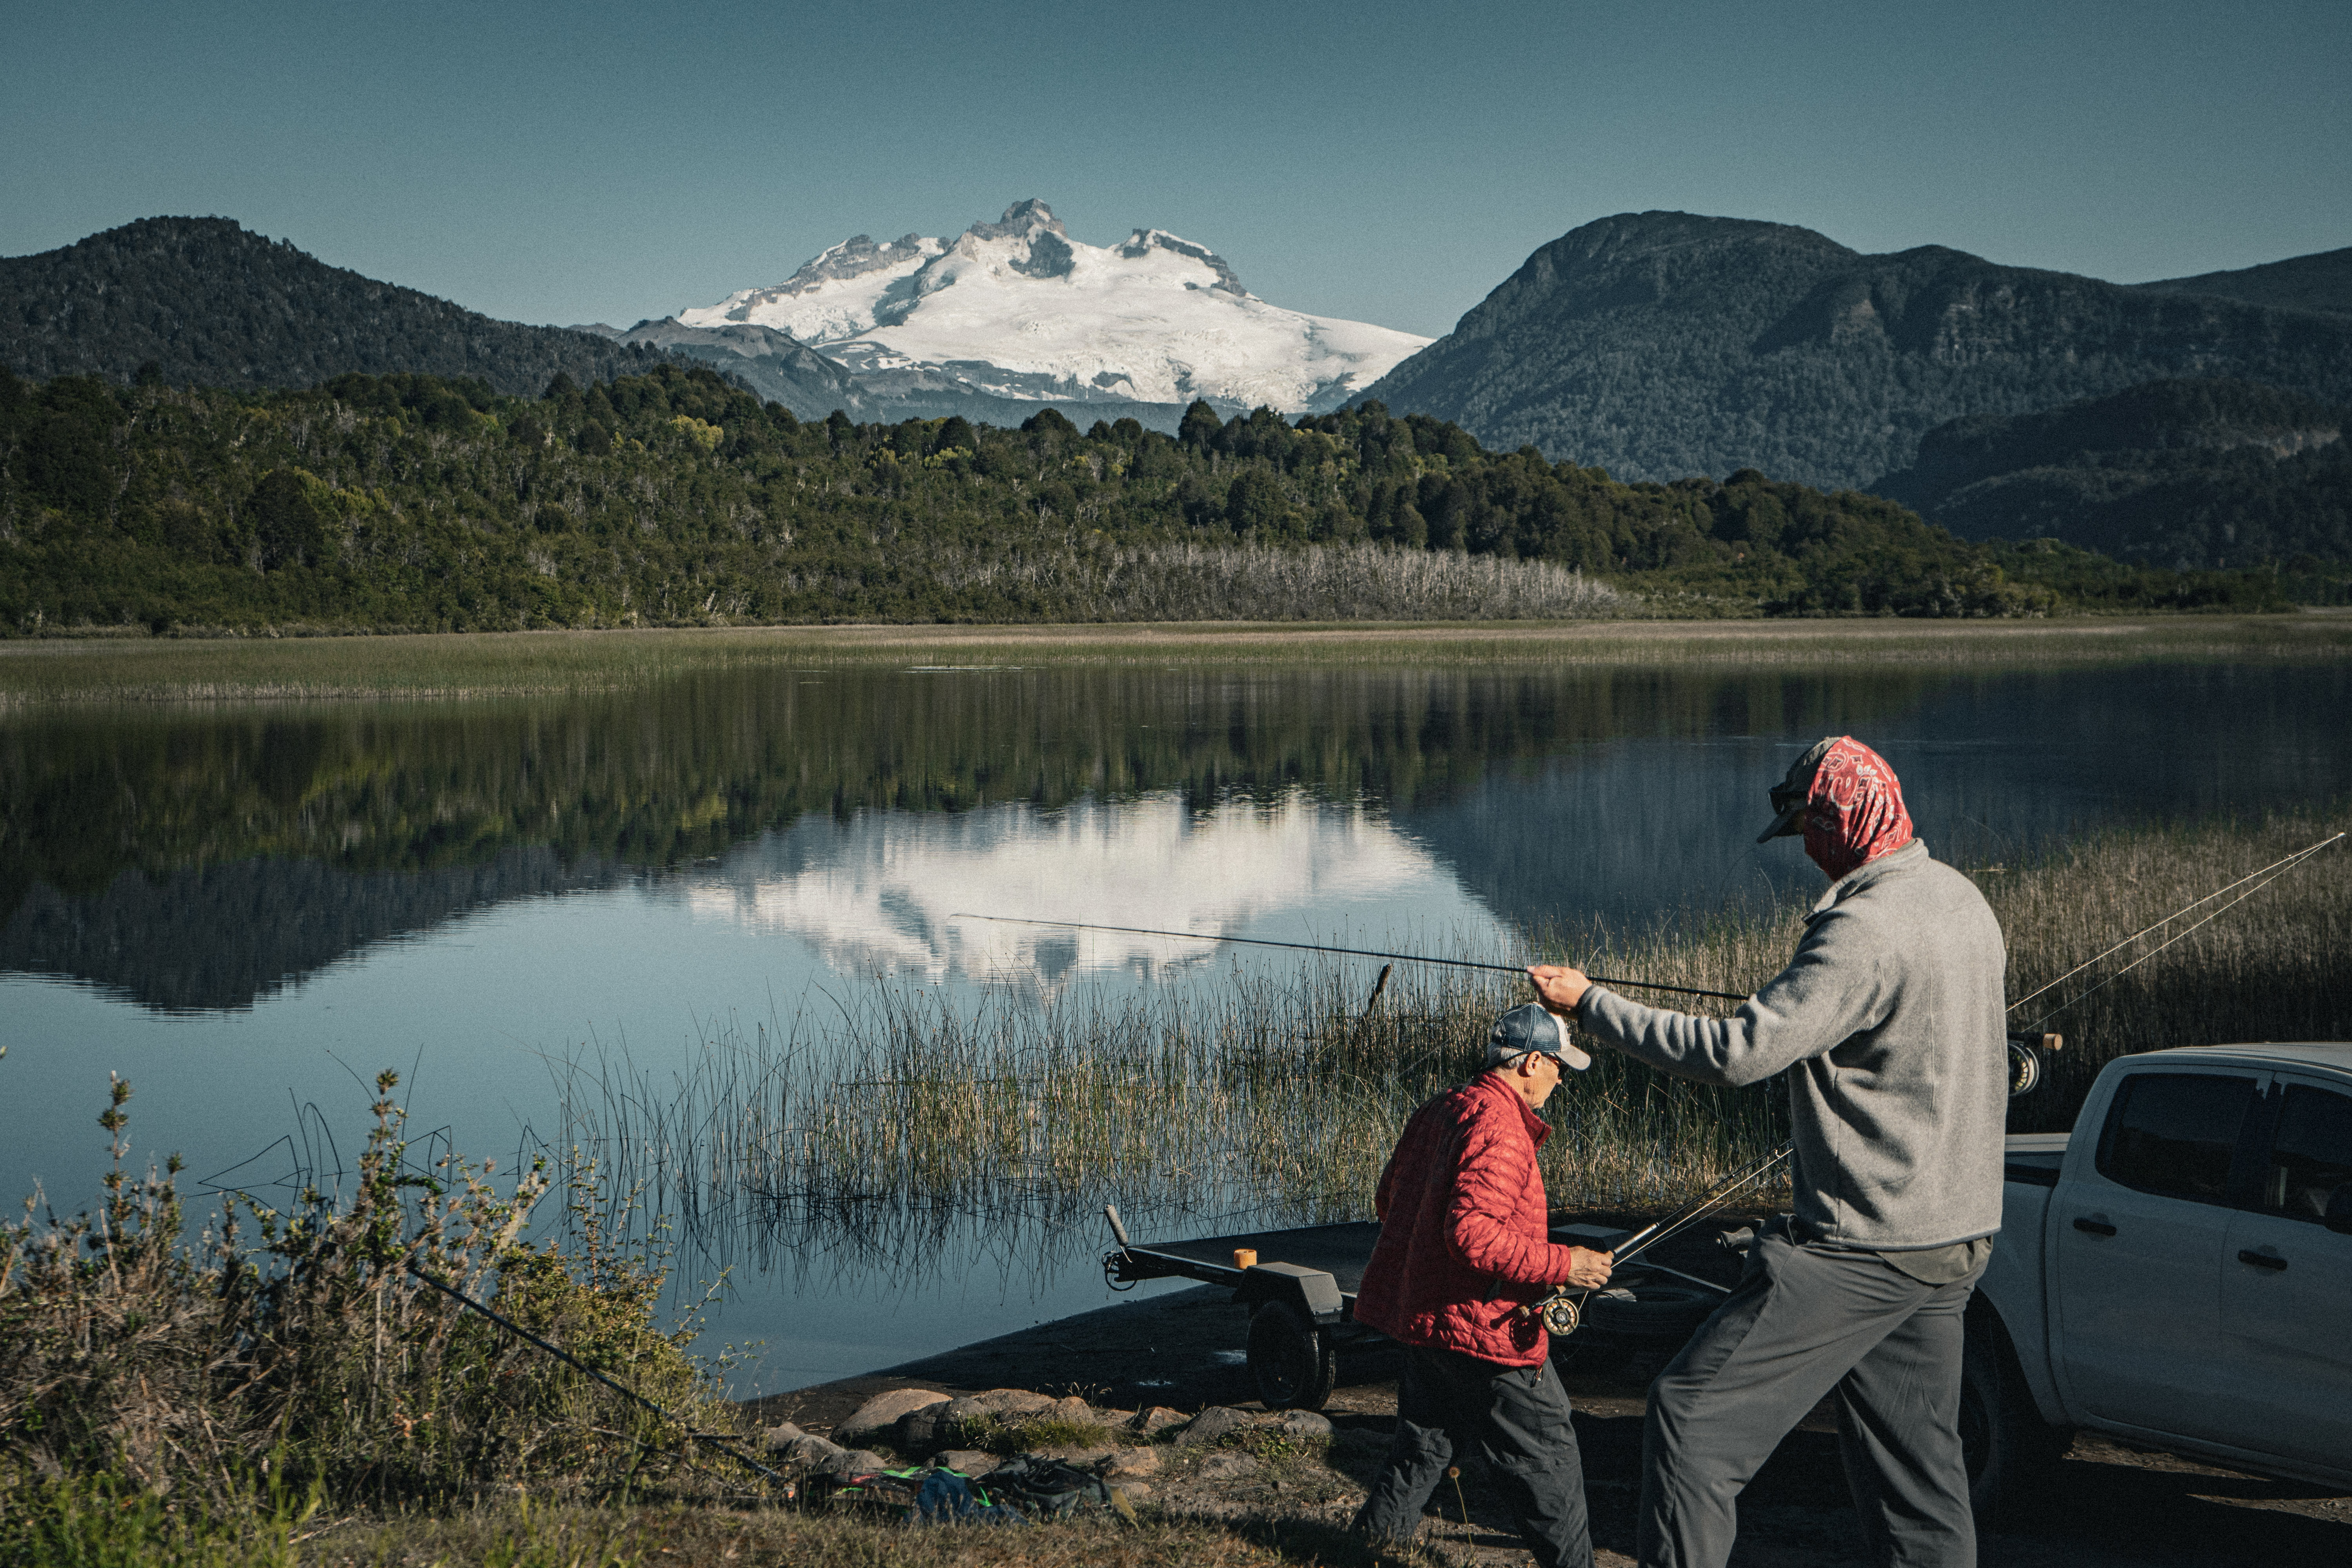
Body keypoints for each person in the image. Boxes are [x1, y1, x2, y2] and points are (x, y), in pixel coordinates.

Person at [1528, 735, 2007, 1568]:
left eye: (1809, 830)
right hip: (1954, 1239)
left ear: (1842, 823)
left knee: (1688, 1419)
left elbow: (1735, 1054)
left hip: (1865, 1246)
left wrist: (1592, 1002)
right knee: (1918, 1479)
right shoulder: (1960, 898)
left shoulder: (1863, 930)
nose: (1809, 852)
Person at [1350, 1002, 1615, 1568]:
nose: (1562, 1077)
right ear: (1530, 1063)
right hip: (1488, 1334)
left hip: (1430, 1323)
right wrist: (1564, 1265)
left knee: (1422, 1451)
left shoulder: (1441, 1109)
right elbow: (1472, 1234)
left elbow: (1388, 1200)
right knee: (1550, 1465)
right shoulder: (1502, 1126)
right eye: (1557, 1065)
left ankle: (1362, 1554)